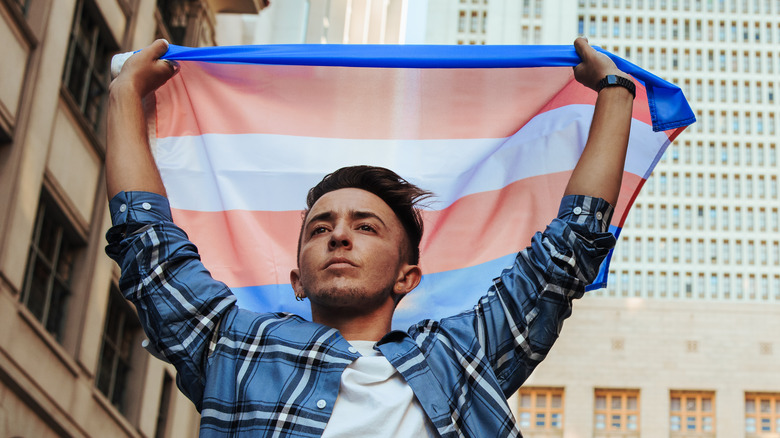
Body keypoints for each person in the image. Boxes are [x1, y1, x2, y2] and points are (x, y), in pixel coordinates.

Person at [105, 37, 634, 437]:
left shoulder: (462, 357)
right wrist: (125, 94)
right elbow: (149, 248)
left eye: (365, 227)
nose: (339, 236)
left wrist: (614, 91)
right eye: (320, 228)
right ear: (297, 279)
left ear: (407, 277)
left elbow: (566, 253)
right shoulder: (237, 348)